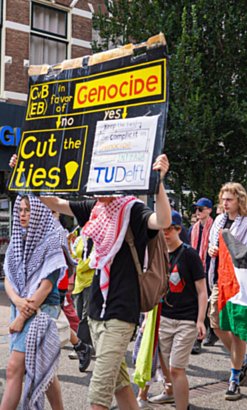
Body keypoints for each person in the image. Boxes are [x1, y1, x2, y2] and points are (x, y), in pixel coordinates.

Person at [10, 153, 172, 410]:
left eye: (100, 185)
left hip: (121, 313)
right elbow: (54, 202)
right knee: (118, 384)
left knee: (99, 390)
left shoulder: (133, 210)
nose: (96, 191)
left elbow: (163, 221)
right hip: (96, 312)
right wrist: (26, 172)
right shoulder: (95, 209)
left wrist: (158, 182)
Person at [0, 195, 68, 410]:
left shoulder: (54, 239)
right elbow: (7, 277)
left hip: (41, 309)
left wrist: (22, 315)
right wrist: (17, 301)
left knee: (14, 369)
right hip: (20, 306)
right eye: (19, 209)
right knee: (43, 367)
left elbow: (46, 286)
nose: (22, 214)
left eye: (28, 210)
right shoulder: (18, 237)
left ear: (40, 212)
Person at [208, 183, 247, 400]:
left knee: (237, 330)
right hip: (218, 280)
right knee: (216, 324)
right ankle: (242, 361)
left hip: (239, 285)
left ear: (240, 200)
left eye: (229, 199)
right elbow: (212, 246)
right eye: (223, 199)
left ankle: (234, 378)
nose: (224, 203)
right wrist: (212, 249)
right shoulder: (218, 222)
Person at [146, 210, 207, 410]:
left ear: (178, 229)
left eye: (169, 228)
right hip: (164, 318)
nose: (164, 232)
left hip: (186, 320)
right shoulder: (157, 253)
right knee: (166, 367)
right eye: (161, 228)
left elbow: (201, 291)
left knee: (176, 369)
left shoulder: (189, 255)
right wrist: (148, 316)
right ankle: (169, 394)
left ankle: (183, 407)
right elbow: (154, 288)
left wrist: (200, 320)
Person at [190, 197, 216, 351]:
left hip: (211, 271)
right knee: (200, 304)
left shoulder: (216, 227)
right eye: (196, 209)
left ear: (209, 210)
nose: (198, 212)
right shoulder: (193, 229)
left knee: (210, 306)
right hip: (197, 270)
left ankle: (211, 332)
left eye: (201, 209)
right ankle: (198, 339)